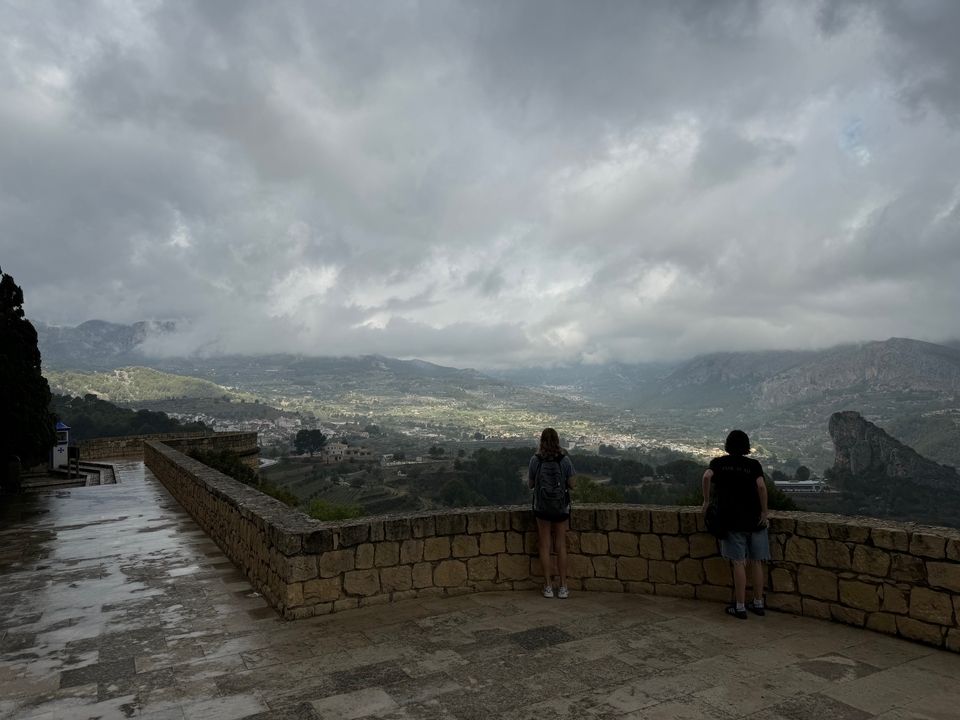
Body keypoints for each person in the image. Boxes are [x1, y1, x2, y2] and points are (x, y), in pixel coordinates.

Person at [701, 429, 769, 620]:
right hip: (755, 519)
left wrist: (706, 501)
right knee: (756, 562)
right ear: (746, 446)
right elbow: (762, 487)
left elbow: (706, 477)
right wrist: (764, 511)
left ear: (728, 445)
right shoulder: (753, 465)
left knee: (738, 563)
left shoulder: (719, 463)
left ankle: (739, 607)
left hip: (731, 521)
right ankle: (758, 603)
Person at [528, 428, 576, 599]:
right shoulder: (565, 460)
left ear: (541, 441)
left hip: (542, 508)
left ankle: (548, 586)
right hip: (561, 508)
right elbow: (572, 484)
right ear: (557, 441)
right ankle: (563, 586)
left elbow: (530, 484)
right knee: (561, 545)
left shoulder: (536, 460)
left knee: (544, 545)